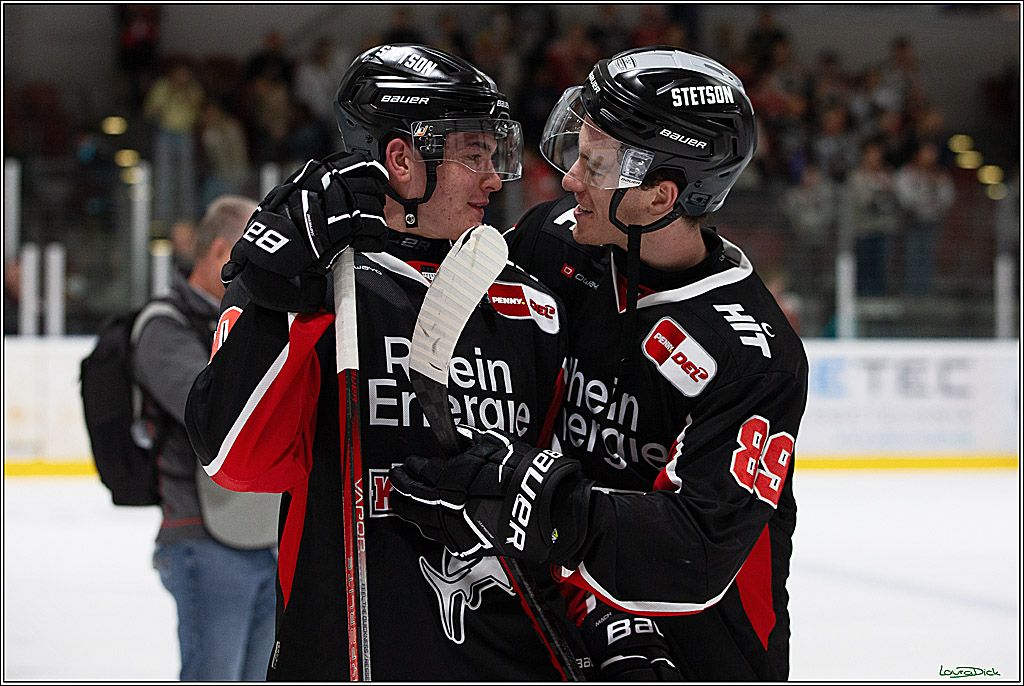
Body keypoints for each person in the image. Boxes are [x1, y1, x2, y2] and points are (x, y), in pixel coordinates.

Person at [388, 46, 809, 681]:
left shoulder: (752, 357)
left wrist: (527, 494)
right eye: (577, 152)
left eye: (596, 164)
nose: (569, 179)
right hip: (560, 633)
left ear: (661, 196)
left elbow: (695, 552)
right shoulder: (553, 240)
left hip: (699, 659)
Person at [183, 44, 576, 680]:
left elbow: (568, 487)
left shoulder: (528, 302)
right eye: (473, 156)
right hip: (347, 660)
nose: (494, 178)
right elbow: (235, 460)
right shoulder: (322, 288)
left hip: (508, 660)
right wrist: (286, 301)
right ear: (401, 160)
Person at [133, 195, 281, 681]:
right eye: (255, 254)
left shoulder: (249, 323)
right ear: (221, 253)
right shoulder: (164, 326)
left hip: (263, 537)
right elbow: (216, 415)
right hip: (204, 539)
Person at [143, 60, 204, 227]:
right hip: (165, 133)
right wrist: (170, 95)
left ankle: (187, 217)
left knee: (186, 175)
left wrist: (184, 93)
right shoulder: (162, 87)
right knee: (164, 175)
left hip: (185, 134)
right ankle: (162, 218)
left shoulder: (193, 88)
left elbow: (199, 111)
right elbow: (149, 110)